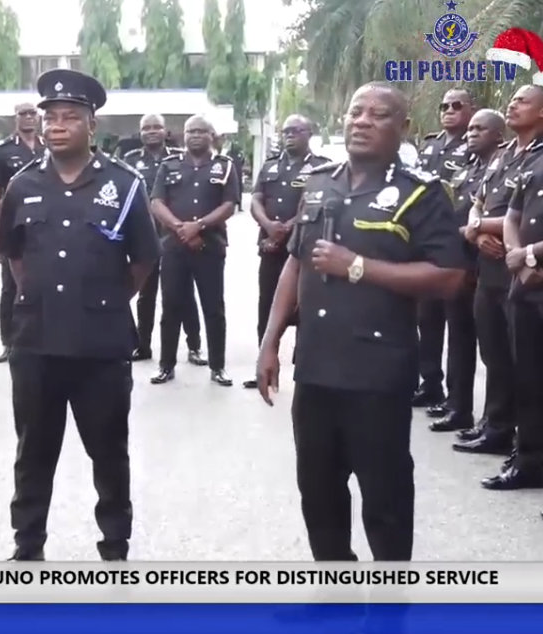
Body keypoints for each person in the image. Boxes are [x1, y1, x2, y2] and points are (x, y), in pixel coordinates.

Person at [256, 83, 466, 561]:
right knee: (318, 493)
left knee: (385, 497)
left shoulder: (422, 194)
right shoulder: (319, 183)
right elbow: (296, 264)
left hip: (377, 372)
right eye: (356, 112)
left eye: (379, 114)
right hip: (315, 369)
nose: (363, 121)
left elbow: (450, 277)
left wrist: (357, 266)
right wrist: (270, 342)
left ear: (403, 127)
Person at [0, 69, 159, 561]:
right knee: (32, 452)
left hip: (100, 345)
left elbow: (143, 260)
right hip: (36, 341)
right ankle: (28, 545)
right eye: (51, 117)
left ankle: (114, 545)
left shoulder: (125, 185)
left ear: (92, 125)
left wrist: (103, 300)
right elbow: (14, 255)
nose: (57, 126)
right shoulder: (22, 185)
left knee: (108, 452)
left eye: (70, 117)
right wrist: (42, 296)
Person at [482, 79, 543, 493]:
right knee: (529, 379)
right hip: (524, 284)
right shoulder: (542, 158)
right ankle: (527, 464)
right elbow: (512, 214)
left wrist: (531, 254)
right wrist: (516, 255)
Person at [455, 86, 543, 454]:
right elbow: (476, 203)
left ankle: (517, 440)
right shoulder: (503, 155)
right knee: (493, 353)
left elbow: (530, 215)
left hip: (517, 270)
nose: (512, 105)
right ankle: (494, 425)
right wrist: (476, 231)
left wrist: (478, 227)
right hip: (488, 269)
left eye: (522, 101)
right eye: (511, 101)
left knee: (520, 361)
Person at [426, 109, 502, 434]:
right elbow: (457, 211)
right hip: (458, 261)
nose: (471, 134)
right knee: (459, 340)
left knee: (492, 349)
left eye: (479, 129)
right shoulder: (469, 169)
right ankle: (458, 406)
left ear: (498, 136)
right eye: (470, 130)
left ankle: (496, 422)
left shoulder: (502, 168)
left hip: (485, 266)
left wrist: (472, 232)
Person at [149, 116, 240, 387]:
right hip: (174, 247)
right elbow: (156, 202)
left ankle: (218, 366)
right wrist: (181, 228)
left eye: (201, 131)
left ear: (212, 135)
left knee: (213, 308)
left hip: (210, 247)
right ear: (183, 135)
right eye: (190, 131)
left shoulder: (225, 166)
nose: (195, 136)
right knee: (171, 307)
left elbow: (229, 205)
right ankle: (166, 365)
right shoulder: (169, 165)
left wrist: (198, 226)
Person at [243, 115, 329, 389]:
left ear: (309, 133)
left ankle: (304, 368)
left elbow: (318, 205)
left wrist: (288, 227)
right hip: (270, 248)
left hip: (304, 251)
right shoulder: (270, 166)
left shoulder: (321, 168)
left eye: (296, 130)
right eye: (286, 131)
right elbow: (256, 199)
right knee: (267, 307)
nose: (290, 135)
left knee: (306, 307)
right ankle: (264, 364)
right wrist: (269, 226)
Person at [413, 88, 476, 411]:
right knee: (427, 319)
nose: (448, 110)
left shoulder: (477, 145)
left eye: (456, 105)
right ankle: (430, 384)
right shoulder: (430, 145)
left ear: (471, 110)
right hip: (427, 247)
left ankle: (457, 399)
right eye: (444, 106)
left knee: (459, 327)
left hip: (458, 247)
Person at [0, 103, 44, 364]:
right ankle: (9, 342)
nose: (29, 117)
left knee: (45, 282)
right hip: (15, 227)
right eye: (23, 114)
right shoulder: (1, 150)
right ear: (15, 118)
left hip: (44, 227)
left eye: (32, 113)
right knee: (11, 287)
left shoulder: (47, 146)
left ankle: (42, 337)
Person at [122, 114, 182, 362]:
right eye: (146, 128)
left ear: (166, 131)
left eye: (157, 127)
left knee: (177, 295)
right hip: (142, 236)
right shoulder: (129, 160)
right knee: (145, 294)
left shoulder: (178, 158)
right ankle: (142, 345)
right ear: (140, 133)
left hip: (173, 235)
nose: (152, 131)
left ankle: (193, 344)